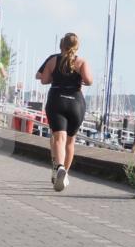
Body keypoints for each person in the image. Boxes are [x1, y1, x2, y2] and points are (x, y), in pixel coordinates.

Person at [36, 33, 93, 191]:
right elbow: (89, 81)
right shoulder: (81, 62)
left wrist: (56, 76)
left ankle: (59, 167)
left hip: (57, 100)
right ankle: (65, 173)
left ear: (61, 45)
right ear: (77, 47)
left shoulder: (53, 60)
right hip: (76, 102)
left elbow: (44, 80)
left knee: (59, 139)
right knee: (70, 141)